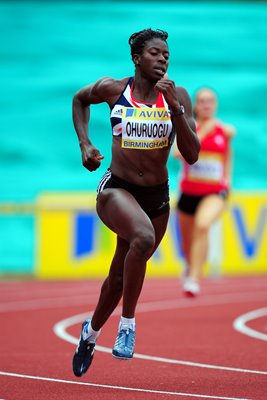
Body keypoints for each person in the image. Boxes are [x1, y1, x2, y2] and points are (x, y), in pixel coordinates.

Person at [71, 28, 200, 377]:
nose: (162, 59)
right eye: (155, 53)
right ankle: (127, 325)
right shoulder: (115, 89)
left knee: (117, 276)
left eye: (167, 55)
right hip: (116, 189)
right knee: (141, 239)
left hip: (157, 198)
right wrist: (85, 144)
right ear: (137, 59)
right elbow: (80, 99)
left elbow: (191, 154)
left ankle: (90, 332)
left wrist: (174, 109)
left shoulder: (179, 96)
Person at [173, 87, 236, 297]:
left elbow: (227, 159)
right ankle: (192, 267)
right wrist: (204, 131)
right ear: (195, 105)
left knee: (203, 224)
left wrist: (227, 184)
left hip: (215, 192)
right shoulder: (187, 129)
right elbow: (176, 154)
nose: (207, 104)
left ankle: (194, 279)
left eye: (211, 101)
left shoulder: (225, 131)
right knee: (187, 243)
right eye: (202, 101)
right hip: (188, 193)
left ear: (215, 105)